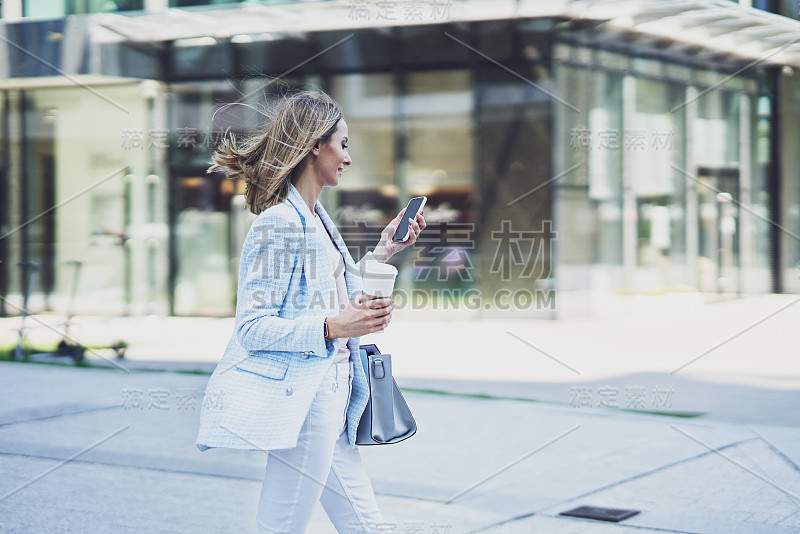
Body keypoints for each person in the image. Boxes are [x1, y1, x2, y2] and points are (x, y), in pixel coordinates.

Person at [196, 90, 426, 534]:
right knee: (282, 526)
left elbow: (332, 297)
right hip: (308, 400)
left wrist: (385, 250)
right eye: (343, 145)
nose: (348, 158)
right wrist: (335, 326)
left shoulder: (317, 217)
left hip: (336, 391)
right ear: (314, 146)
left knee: (365, 525)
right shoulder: (279, 223)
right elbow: (254, 327)